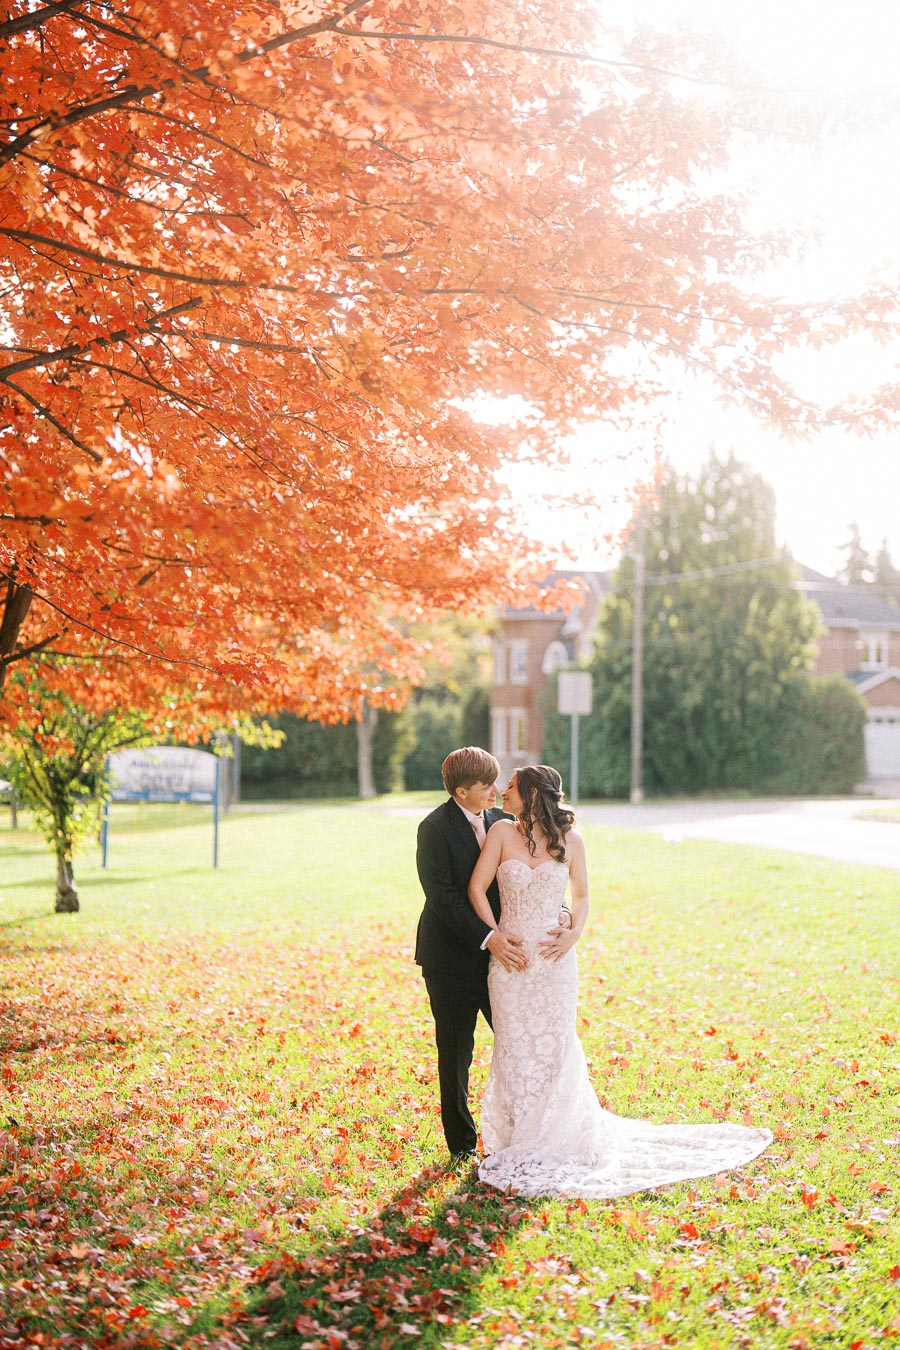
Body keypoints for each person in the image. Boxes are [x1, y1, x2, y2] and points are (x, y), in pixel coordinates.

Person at [468, 764, 773, 1199]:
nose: (503, 793)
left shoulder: (571, 841)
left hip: (555, 964)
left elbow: (583, 895)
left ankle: (555, 1134)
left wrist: (573, 933)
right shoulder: (500, 834)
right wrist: (495, 936)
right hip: (511, 963)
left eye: (512, 787)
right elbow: (477, 889)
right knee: (514, 1044)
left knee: (554, 1045)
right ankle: (519, 1137)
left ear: (534, 794)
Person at [415, 747, 572, 1169]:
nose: (497, 792)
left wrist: (562, 914)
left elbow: (538, 878)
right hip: (452, 959)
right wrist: (490, 938)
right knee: (456, 1050)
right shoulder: (433, 829)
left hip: (510, 962)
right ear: (461, 791)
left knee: (519, 1044)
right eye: (487, 787)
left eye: (500, 783)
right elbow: (445, 899)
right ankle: (462, 1144)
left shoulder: (505, 823)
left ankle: (533, 1129)